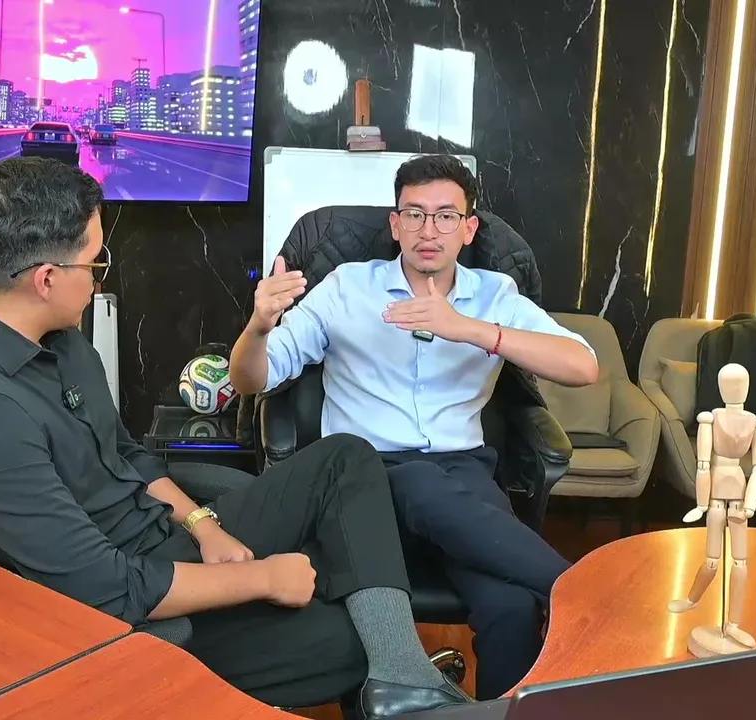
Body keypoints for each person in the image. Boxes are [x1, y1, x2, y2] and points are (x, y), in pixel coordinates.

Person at [0, 156, 471, 718]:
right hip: (129, 616)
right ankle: (394, 675)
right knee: (351, 638)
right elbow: (105, 587)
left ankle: (403, 679)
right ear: (46, 279)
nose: (100, 275)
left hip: (164, 540)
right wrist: (262, 578)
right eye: (95, 261)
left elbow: (126, 455)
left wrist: (204, 525)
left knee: (345, 458)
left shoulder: (57, 336)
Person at [229, 154, 599, 700]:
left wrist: (470, 329)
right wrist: (259, 328)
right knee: (417, 481)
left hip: (463, 480)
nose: (429, 230)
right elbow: (250, 379)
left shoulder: (495, 294)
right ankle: (588, 594)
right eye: (415, 214)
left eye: (446, 216)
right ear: (395, 224)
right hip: (361, 482)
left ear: (468, 229)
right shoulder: (346, 288)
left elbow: (583, 366)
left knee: (512, 607)